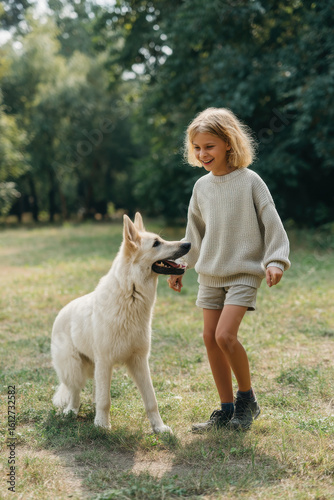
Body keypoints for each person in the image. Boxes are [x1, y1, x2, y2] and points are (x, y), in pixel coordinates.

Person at [168, 107, 290, 431]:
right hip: (211, 273)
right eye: (196, 147)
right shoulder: (201, 188)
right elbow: (193, 235)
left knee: (225, 335)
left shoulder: (250, 181)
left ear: (228, 144)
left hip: (243, 271)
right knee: (210, 337)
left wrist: (275, 261)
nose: (202, 153)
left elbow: (272, 223)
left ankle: (246, 400)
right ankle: (225, 409)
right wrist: (179, 266)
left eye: (209, 146)